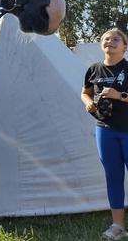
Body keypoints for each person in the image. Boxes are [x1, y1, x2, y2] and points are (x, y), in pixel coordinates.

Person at [81, 28, 128, 240]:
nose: (110, 41)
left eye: (116, 39)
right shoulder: (94, 69)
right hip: (105, 130)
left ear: (125, 46)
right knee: (113, 176)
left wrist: (121, 95)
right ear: (102, 45)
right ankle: (118, 226)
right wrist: (89, 103)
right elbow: (85, 92)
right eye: (106, 39)